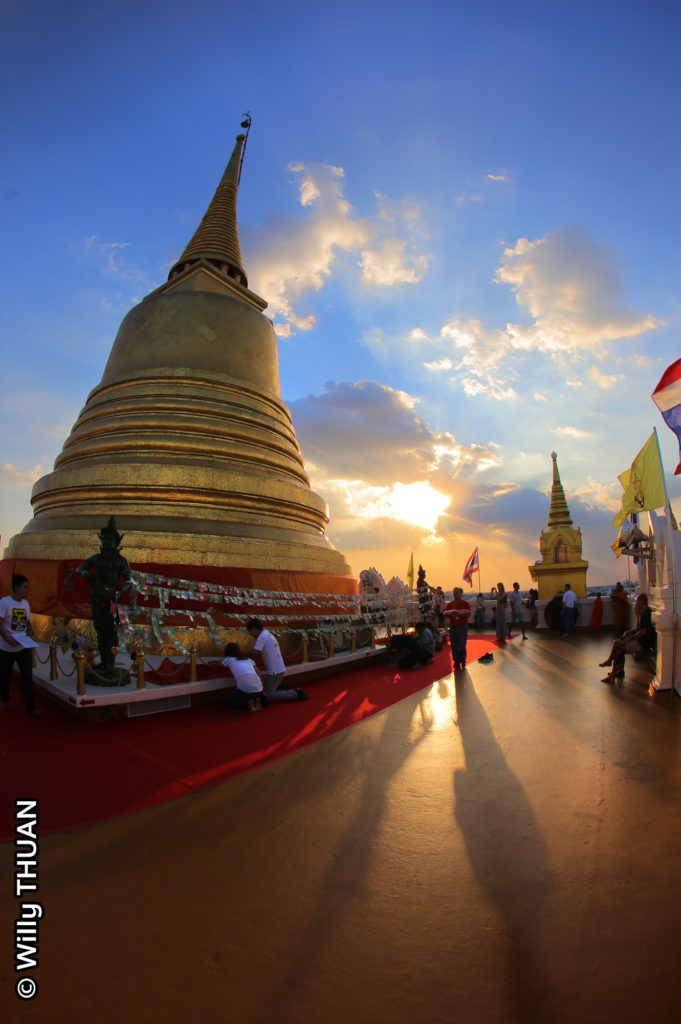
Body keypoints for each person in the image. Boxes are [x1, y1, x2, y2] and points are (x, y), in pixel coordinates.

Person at [0, 574, 42, 715]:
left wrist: (30, 631)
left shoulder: (26, 604)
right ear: (16, 588)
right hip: (6, 648)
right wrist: (6, 638)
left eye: (28, 588)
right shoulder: (5, 602)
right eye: (25, 587)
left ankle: (31, 708)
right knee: (4, 676)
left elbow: (27, 621)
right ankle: (5, 699)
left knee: (27, 676)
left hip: (22, 647)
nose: (27, 591)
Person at [246, 618, 309, 702]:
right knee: (265, 683)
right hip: (277, 669)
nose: (251, 635)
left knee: (268, 696)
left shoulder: (262, 636)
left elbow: (255, 653)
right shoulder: (266, 634)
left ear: (254, 629)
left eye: (250, 632)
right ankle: (282, 688)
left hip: (274, 671)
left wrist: (240, 657)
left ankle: (295, 693)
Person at [599, 594, 656, 683]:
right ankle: (618, 671)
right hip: (640, 641)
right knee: (619, 646)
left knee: (618, 645)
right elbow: (638, 629)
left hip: (642, 644)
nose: (636, 604)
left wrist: (629, 639)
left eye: (638, 603)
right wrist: (637, 616)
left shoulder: (646, 613)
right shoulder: (643, 612)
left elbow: (643, 632)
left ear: (642, 603)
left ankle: (610, 664)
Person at [222, 642, 267, 712]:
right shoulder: (249, 660)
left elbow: (217, 665)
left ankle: (249, 703)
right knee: (263, 700)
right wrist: (263, 691)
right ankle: (257, 701)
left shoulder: (228, 659)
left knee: (229, 701)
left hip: (245, 691)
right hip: (258, 689)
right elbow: (260, 675)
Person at [445, 586, 470, 671]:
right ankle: (456, 661)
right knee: (454, 645)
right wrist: (451, 615)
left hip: (462, 626)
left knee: (462, 644)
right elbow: (445, 614)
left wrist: (460, 615)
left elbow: (468, 614)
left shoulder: (465, 604)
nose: (455, 595)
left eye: (457, 593)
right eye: (454, 593)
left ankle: (463, 660)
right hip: (453, 627)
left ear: (460, 594)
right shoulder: (450, 605)